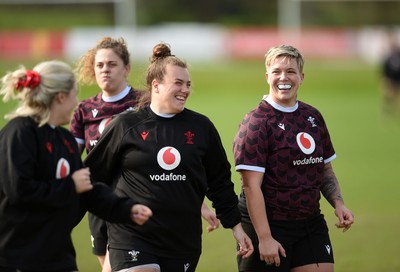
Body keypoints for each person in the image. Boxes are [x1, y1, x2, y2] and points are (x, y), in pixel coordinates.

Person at [84, 42, 254, 272]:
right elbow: (90, 177)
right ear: (156, 85)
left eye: (188, 84)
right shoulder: (125, 125)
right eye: (178, 83)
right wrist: (114, 211)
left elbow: (219, 182)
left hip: (182, 241)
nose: (185, 89)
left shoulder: (201, 127)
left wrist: (236, 226)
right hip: (132, 236)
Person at [0, 60, 152, 272]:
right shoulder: (19, 133)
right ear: (60, 97)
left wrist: (126, 209)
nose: (76, 102)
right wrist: (70, 186)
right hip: (18, 259)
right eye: (73, 94)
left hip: (58, 258)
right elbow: (19, 191)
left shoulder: (64, 139)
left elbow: (87, 189)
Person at [233, 45, 354, 272]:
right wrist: (265, 237)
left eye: (290, 71)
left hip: (310, 223)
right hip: (269, 225)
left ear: (301, 77)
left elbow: (324, 168)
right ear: (267, 76)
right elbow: (251, 187)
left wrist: (338, 203)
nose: (283, 77)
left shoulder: (312, 116)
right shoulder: (256, 123)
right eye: (277, 71)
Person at [381, 35, 400, 117]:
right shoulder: (388, 57)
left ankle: (396, 111)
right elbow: (385, 69)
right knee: (390, 95)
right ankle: (389, 110)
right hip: (391, 79)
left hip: (398, 78)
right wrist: (385, 79)